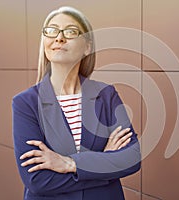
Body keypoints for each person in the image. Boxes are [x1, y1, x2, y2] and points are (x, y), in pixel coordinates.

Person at [12, 6, 141, 200]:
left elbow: (131, 159)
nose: (59, 38)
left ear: (87, 46)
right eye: (52, 30)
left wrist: (69, 164)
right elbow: (38, 180)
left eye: (71, 31)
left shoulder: (106, 95)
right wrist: (103, 165)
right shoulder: (26, 103)